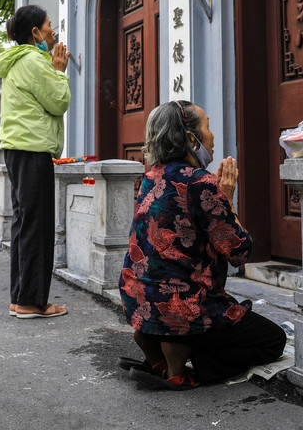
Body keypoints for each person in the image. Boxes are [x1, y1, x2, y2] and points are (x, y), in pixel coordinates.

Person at [118, 101, 287, 389]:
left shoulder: (152, 175)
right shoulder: (200, 183)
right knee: (273, 340)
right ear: (190, 138)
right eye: (207, 126)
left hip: (139, 300)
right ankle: (183, 352)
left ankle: (153, 343)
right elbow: (239, 250)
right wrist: (228, 197)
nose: (212, 135)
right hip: (181, 307)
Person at [0, 5, 71, 319]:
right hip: (32, 149)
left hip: (17, 148)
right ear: (35, 33)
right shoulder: (34, 60)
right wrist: (59, 72)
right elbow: (58, 101)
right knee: (36, 226)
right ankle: (32, 301)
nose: (54, 31)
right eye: (49, 25)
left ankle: (21, 298)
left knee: (25, 223)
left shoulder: (15, 61)